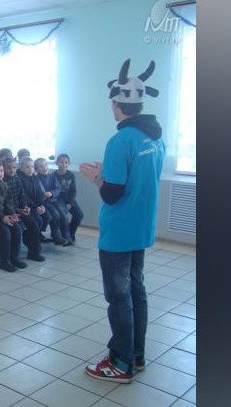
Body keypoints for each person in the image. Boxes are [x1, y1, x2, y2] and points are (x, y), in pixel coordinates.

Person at [81, 59, 164, 383]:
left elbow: (112, 194)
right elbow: (138, 179)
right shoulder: (155, 138)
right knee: (136, 292)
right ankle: (136, 355)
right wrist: (108, 173)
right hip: (141, 228)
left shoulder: (121, 140)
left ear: (116, 104)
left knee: (118, 299)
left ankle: (120, 362)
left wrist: (96, 177)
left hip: (118, 233)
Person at [2, 158, 44, 262]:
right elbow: (5, 202)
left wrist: (25, 206)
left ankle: (34, 253)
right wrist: (15, 211)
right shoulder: (2, 182)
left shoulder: (17, 179)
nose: (12, 170)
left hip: (19, 209)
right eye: (8, 168)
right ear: (4, 169)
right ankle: (13, 257)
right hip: (7, 212)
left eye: (14, 168)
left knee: (33, 224)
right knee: (18, 229)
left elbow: (22, 195)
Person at [35, 158, 71, 245]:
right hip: (45, 203)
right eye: (41, 166)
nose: (44, 168)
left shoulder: (52, 177)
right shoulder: (35, 179)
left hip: (54, 200)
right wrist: (43, 195)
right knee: (55, 215)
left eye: (45, 165)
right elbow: (35, 192)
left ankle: (66, 236)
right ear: (36, 169)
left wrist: (51, 193)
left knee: (63, 215)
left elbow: (58, 188)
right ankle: (56, 236)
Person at [18, 157, 50, 243]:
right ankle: (31, 238)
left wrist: (41, 205)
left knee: (47, 216)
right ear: (21, 169)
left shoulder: (34, 177)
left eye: (32, 166)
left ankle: (37, 234)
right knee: (38, 220)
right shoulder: (19, 179)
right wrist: (36, 208)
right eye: (27, 167)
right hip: (27, 206)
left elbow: (39, 192)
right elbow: (24, 197)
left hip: (36, 205)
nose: (30, 169)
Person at [54, 153, 84, 242]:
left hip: (69, 199)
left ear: (68, 164)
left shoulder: (71, 175)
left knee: (79, 215)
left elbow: (73, 190)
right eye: (61, 162)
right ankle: (62, 235)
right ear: (57, 163)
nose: (64, 164)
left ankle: (71, 232)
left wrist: (70, 203)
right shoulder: (53, 176)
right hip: (58, 200)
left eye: (66, 162)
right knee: (62, 216)